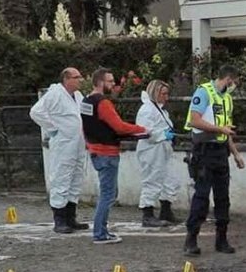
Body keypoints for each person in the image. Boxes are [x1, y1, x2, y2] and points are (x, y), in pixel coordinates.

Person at [183, 65, 246, 256]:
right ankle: (191, 240)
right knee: (201, 196)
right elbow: (194, 120)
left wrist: (235, 153)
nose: (234, 85)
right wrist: (220, 130)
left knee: (222, 198)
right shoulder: (204, 92)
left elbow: (226, 130)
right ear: (228, 79)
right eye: (234, 82)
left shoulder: (227, 98)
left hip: (220, 152)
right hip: (204, 151)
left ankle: (222, 239)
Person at [81, 68, 148, 244]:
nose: (113, 84)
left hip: (96, 150)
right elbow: (119, 126)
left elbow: (86, 127)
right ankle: (100, 233)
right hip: (107, 152)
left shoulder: (86, 101)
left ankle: (101, 231)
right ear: (101, 82)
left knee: (108, 193)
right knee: (108, 194)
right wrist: (143, 129)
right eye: (110, 81)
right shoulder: (102, 103)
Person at [29, 67, 89, 234]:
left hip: (77, 144)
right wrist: (53, 128)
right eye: (77, 77)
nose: (80, 80)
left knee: (76, 179)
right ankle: (60, 219)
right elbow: (36, 112)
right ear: (67, 79)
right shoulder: (55, 93)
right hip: (63, 144)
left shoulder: (78, 96)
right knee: (61, 179)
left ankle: (71, 217)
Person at [136, 80, 180, 227]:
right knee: (152, 180)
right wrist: (163, 135)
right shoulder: (147, 110)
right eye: (163, 94)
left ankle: (166, 211)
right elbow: (144, 131)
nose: (166, 97)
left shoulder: (160, 110)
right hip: (151, 150)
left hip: (163, 149)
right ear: (155, 93)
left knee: (170, 179)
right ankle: (147, 214)